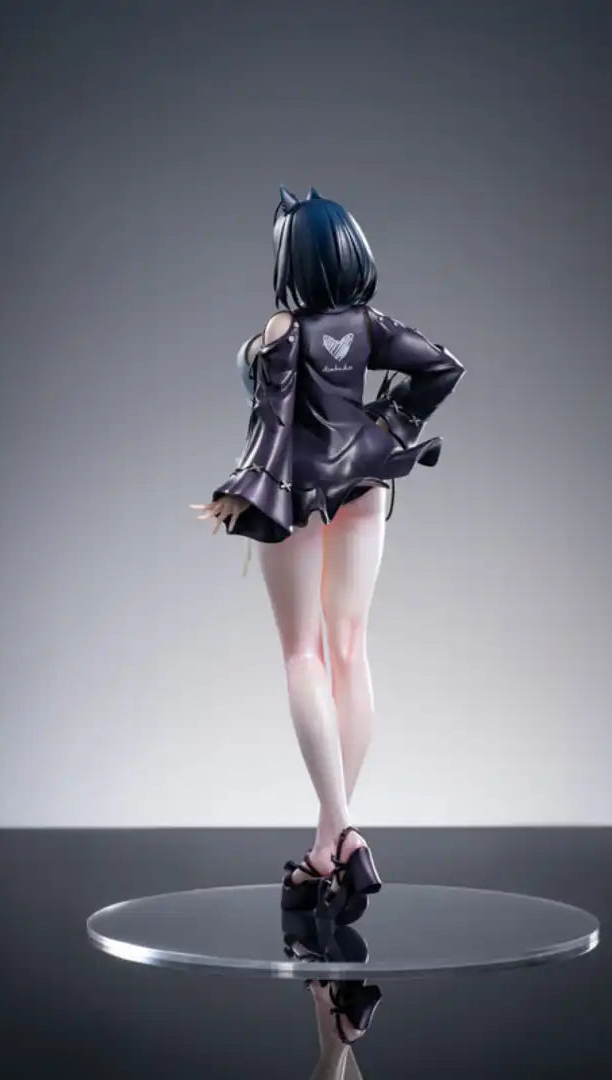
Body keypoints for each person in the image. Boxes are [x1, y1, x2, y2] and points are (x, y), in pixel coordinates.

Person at [191, 186, 465, 922]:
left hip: (301, 489)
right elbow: (442, 367)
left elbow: (274, 427)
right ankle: (327, 845)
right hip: (366, 481)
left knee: (303, 653)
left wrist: (241, 491)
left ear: (291, 259)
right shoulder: (368, 325)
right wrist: (388, 426)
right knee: (350, 649)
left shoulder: (283, 333)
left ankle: (341, 830)